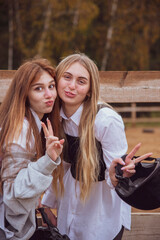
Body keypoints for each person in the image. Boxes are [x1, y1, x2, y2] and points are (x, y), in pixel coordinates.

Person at [41, 53, 152, 240]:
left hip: (100, 212)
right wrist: (46, 204)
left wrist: (117, 174)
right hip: (69, 205)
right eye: (67, 77)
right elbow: (63, 167)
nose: (72, 86)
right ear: (57, 79)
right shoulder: (54, 117)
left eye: (81, 81)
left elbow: (116, 175)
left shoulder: (105, 120)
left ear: (90, 89)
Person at [0, 58, 64, 240]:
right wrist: (48, 161)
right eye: (38, 88)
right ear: (24, 93)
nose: (49, 94)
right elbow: (13, 197)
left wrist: (40, 205)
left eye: (51, 86)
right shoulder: (21, 129)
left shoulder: (30, 123)